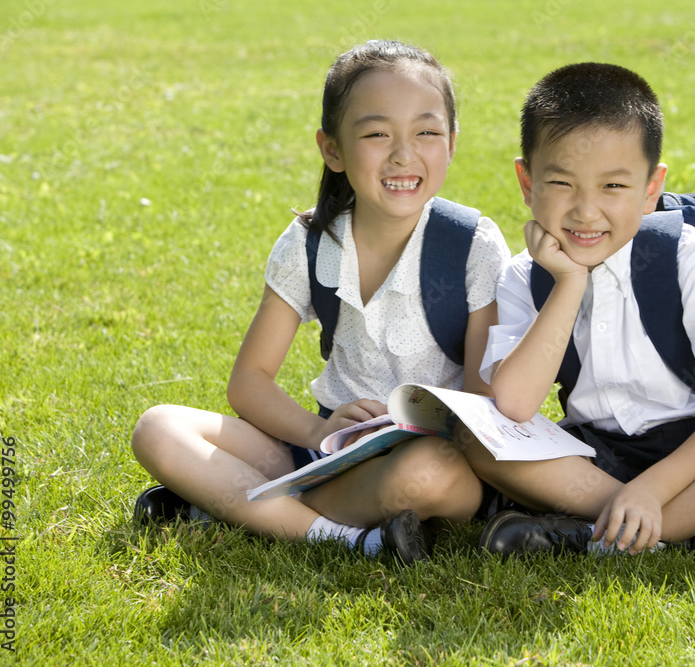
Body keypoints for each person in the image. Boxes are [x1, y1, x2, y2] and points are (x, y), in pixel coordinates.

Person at [130, 40, 510, 564]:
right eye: (377, 134)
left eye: (427, 132)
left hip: (435, 460)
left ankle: (238, 505)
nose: (404, 153)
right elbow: (250, 381)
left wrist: (422, 425)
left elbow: (486, 404)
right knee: (158, 427)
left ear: (450, 143)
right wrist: (320, 431)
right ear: (332, 148)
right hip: (326, 451)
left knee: (428, 473)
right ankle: (344, 535)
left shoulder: (472, 244)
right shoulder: (313, 241)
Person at [463, 62, 695, 566]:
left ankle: (595, 534)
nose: (585, 211)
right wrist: (568, 283)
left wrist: (653, 490)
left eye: (613, 187)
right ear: (526, 181)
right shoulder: (523, 276)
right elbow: (513, 406)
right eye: (562, 183)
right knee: (475, 437)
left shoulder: (688, 257)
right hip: (598, 463)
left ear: (650, 188)